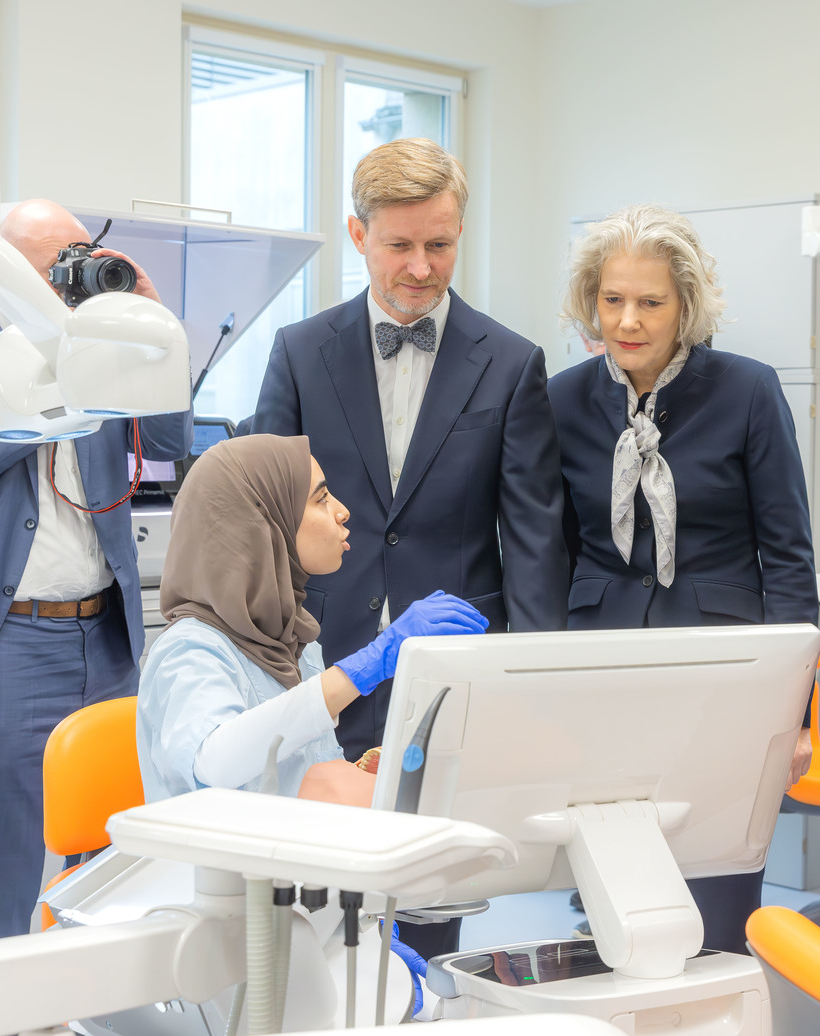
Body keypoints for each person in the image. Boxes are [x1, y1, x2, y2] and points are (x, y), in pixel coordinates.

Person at [252, 138, 568, 956]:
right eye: (401, 245)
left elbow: (534, 537)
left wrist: (530, 688)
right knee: (317, 908)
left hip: (457, 679)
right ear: (359, 236)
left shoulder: (510, 363)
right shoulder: (298, 352)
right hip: (327, 665)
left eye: (441, 243)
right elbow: (265, 523)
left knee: (431, 899)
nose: (423, 268)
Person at [0, 199, 194, 944]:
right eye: (53, 265)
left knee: (106, 858)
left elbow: (166, 437)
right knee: (5, 860)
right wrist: (58, 381)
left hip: (106, 635)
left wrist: (158, 337)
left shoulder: (100, 339)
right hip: (10, 643)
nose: (72, 279)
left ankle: (86, 1009)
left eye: (79, 255)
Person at [547, 204, 817, 956]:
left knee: (719, 896)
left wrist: (798, 713)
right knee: (617, 897)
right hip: (602, 669)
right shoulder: (563, 400)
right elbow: (553, 550)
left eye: (651, 302)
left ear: (687, 306)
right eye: (611, 299)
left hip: (723, 675)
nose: (627, 320)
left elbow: (788, 555)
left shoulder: (748, 392)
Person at [136, 434, 487, 803]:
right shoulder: (187, 650)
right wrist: (362, 668)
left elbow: (307, 776)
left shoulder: (293, 639)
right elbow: (215, 762)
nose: (342, 511)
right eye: (321, 498)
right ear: (263, 524)